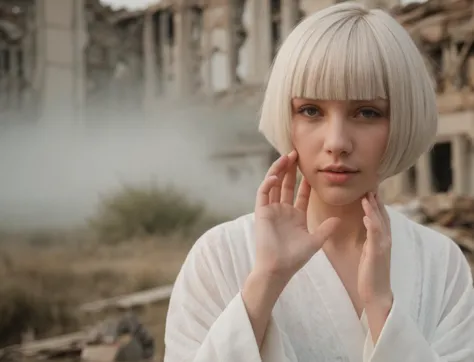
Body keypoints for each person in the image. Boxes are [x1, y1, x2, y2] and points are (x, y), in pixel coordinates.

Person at [163, 2, 474, 362]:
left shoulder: (440, 262)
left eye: (367, 112)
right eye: (311, 111)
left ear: (402, 120)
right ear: (286, 117)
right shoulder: (220, 256)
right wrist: (265, 283)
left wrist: (381, 309)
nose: (337, 142)